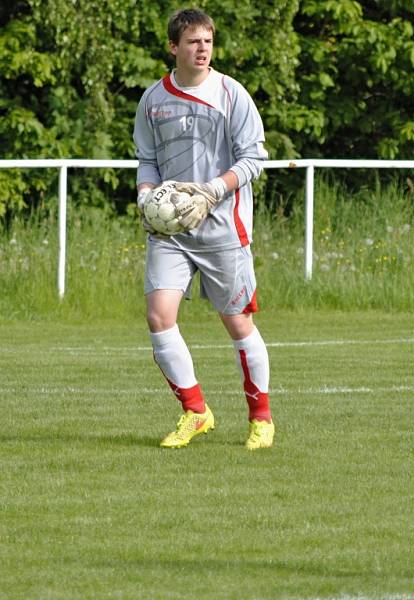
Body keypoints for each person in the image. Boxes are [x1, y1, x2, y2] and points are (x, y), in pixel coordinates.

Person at [133, 7, 273, 450]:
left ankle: (261, 418)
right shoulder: (153, 100)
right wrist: (146, 195)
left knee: (237, 323)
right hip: (171, 232)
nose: (202, 49)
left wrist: (212, 191)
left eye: (208, 41)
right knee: (159, 316)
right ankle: (195, 411)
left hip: (222, 229)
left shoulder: (232, 95)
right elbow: (148, 159)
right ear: (174, 47)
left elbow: (253, 159)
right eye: (193, 42)